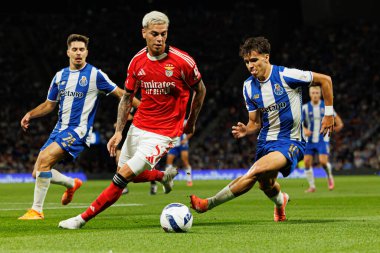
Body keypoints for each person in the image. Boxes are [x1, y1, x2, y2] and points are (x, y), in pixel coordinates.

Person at [58, 10, 206, 229]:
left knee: (123, 176)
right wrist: (118, 132)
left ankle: (81, 219)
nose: (160, 39)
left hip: (163, 133)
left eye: (164, 34)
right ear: (143, 33)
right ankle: (164, 176)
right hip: (138, 126)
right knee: (127, 174)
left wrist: (191, 121)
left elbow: (200, 90)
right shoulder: (137, 61)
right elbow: (127, 97)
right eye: (155, 33)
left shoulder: (182, 61)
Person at [190, 36, 335, 222]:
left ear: (266, 57)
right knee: (265, 184)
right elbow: (255, 122)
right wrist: (247, 129)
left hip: (290, 141)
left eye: (254, 60)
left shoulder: (286, 76)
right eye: (246, 62)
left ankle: (207, 204)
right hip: (265, 141)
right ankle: (280, 201)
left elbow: (326, 80)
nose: (250, 65)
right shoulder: (248, 87)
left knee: (256, 170)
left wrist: (328, 114)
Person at [18, 34, 126, 220]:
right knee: (38, 172)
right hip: (59, 128)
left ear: (86, 52)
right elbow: (49, 104)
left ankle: (37, 210)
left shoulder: (95, 74)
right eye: (74, 49)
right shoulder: (60, 76)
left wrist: (146, 108)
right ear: (68, 52)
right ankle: (71, 183)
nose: (78, 53)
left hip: (79, 130)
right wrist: (30, 114)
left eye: (81, 49)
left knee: (44, 158)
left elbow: (122, 94)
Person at [302, 85, 344, 192]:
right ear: (310, 94)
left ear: (320, 94)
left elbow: (339, 123)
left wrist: (331, 129)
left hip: (322, 139)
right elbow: (298, 122)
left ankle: (329, 176)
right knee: (306, 162)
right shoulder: (305, 108)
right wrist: (304, 130)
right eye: (313, 93)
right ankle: (312, 186)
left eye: (317, 93)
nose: (315, 95)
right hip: (310, 139)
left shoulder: (326, 107)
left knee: (323, 162)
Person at [114, 99, 159, 195]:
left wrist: (129, 118)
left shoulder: (138, 105)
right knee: (118, 159)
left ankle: (154, 182)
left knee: (145, 162)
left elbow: (136, 118)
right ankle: (124, 187)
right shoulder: (122, 104)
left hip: (136, 136)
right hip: (123, 136)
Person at [165, 121, 193, 186]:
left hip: (183, 144)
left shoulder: (185, 121)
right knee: (169, 161)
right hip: (174, 144)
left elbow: (191, 131)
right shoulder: (172, 121)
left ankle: (189, 180)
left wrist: (185, 139)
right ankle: (168, 180)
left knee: (185, 162)